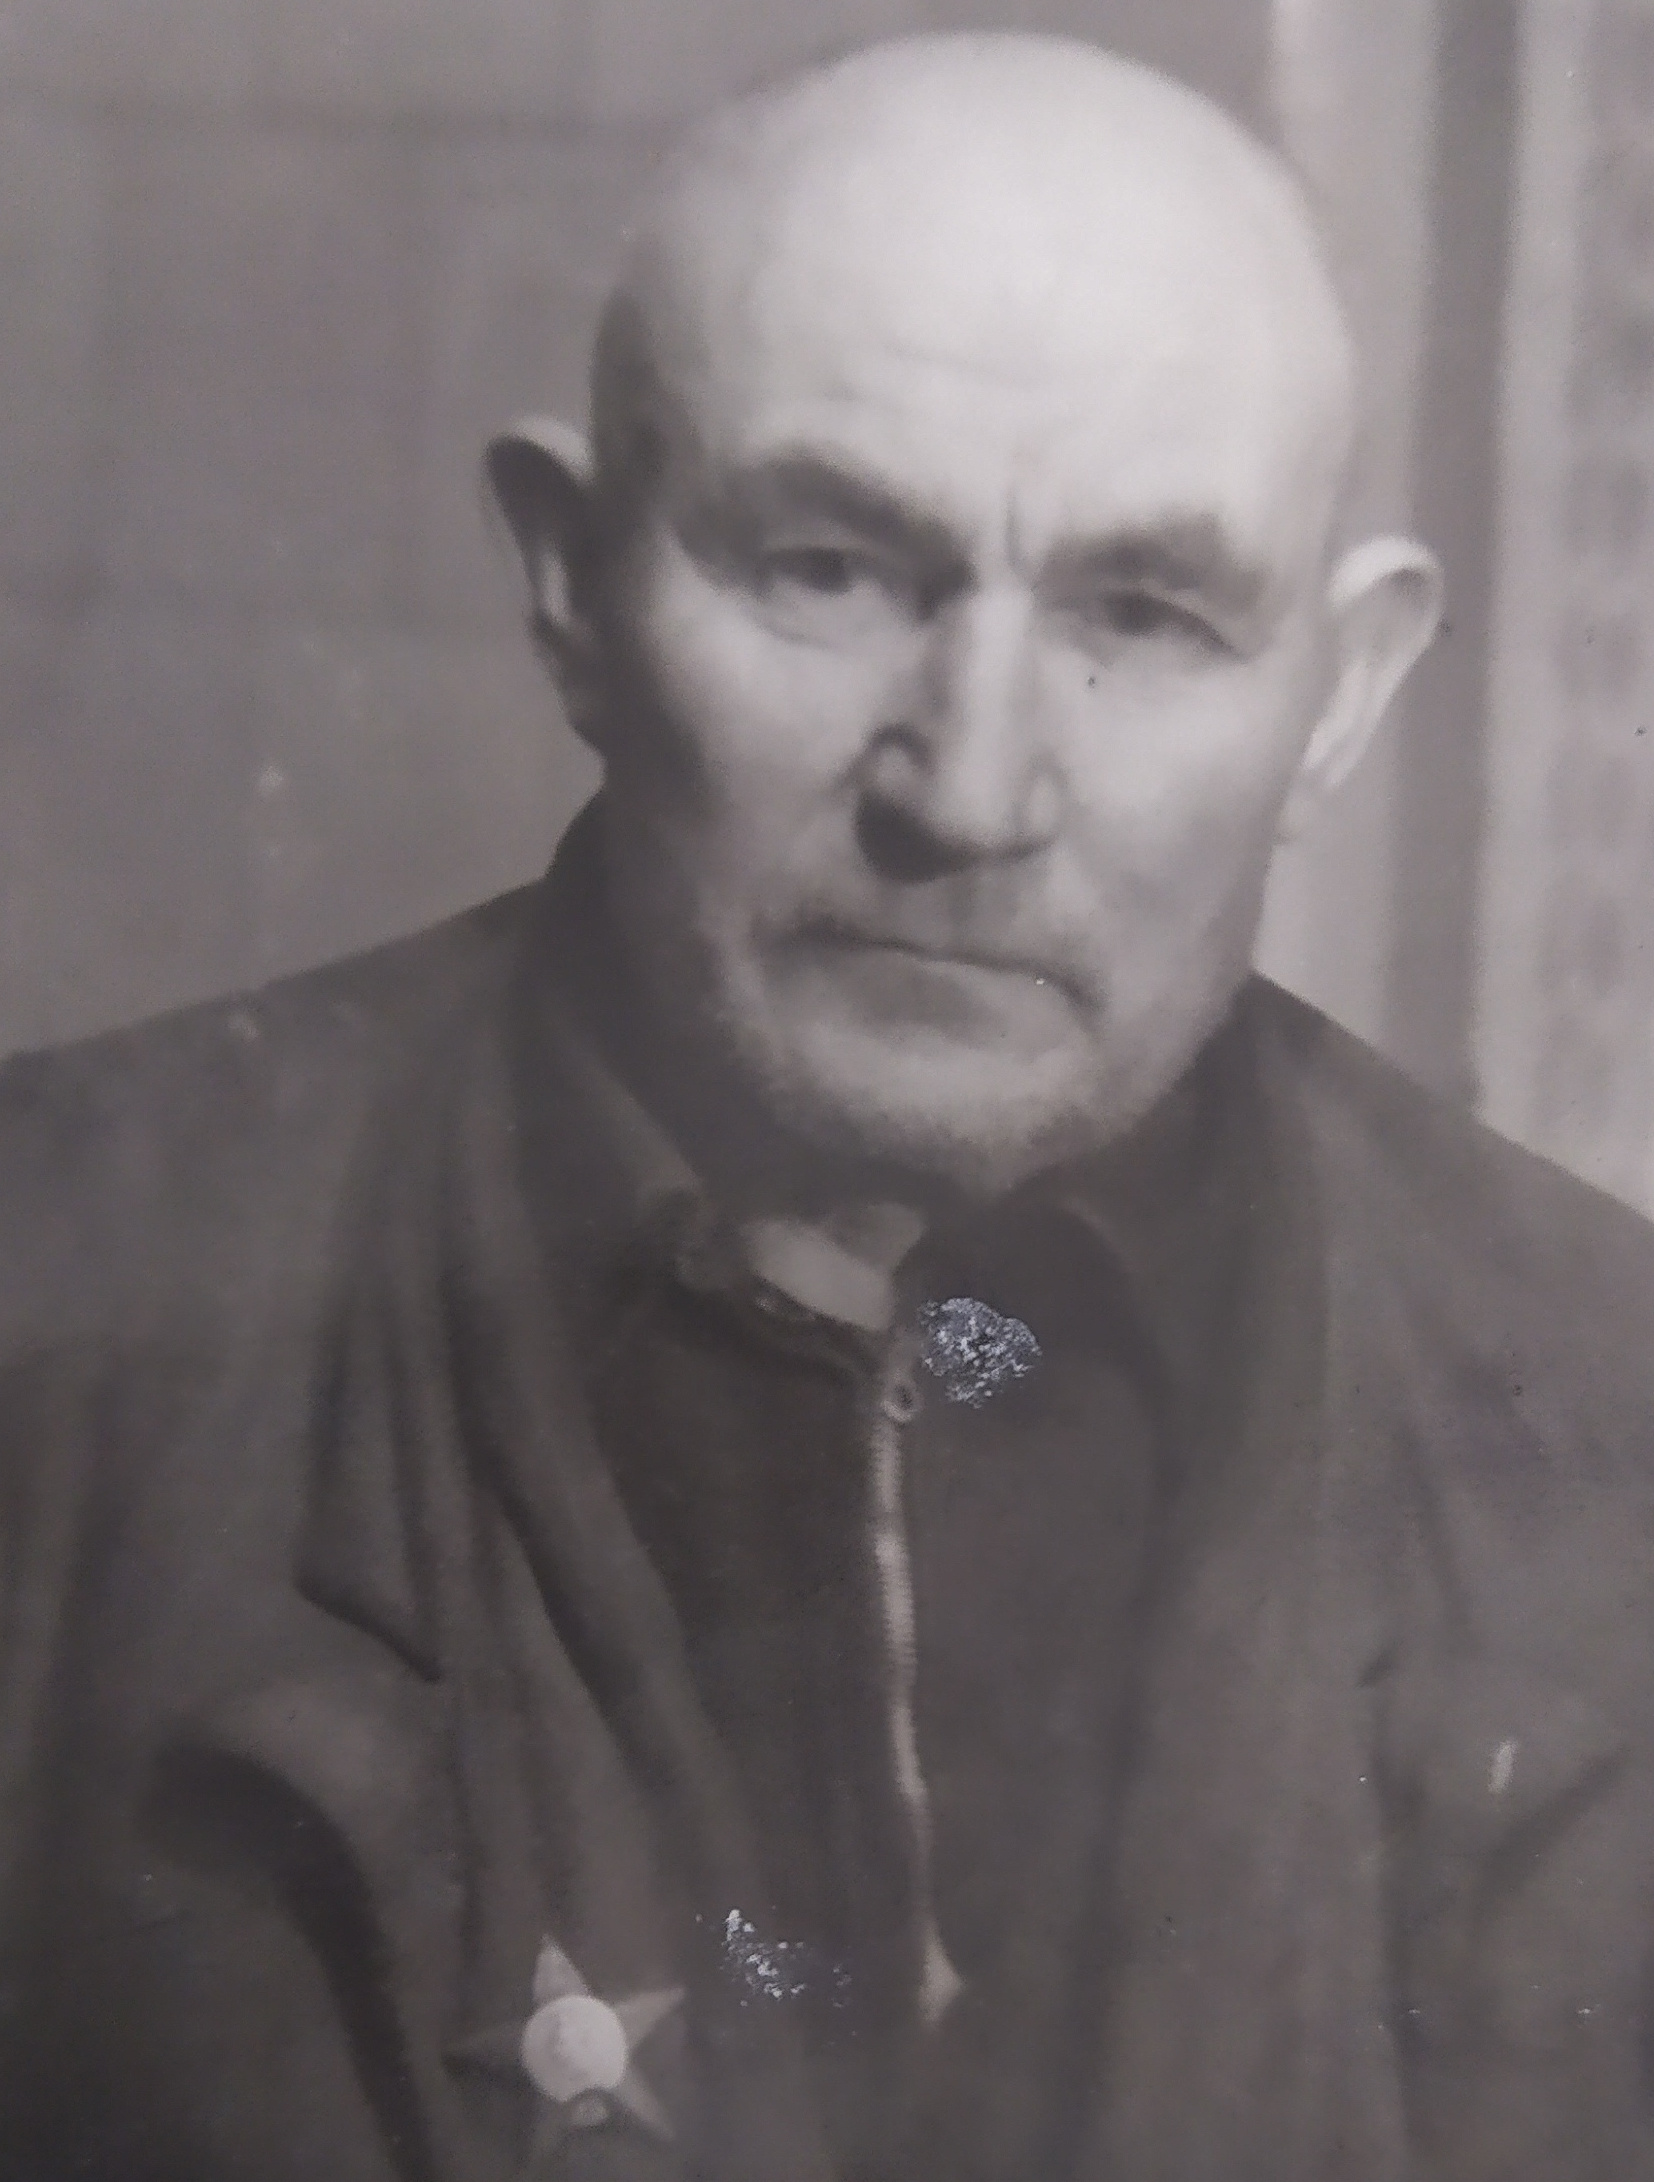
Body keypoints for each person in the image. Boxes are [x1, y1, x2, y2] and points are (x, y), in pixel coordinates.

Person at [3, 29, 1653, 2182]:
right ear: (572, 583)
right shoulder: (51, 1312)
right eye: (826, 568)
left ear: (1337, 699)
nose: (970, 787)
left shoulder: (1614, 1417)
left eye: (1144, 614)